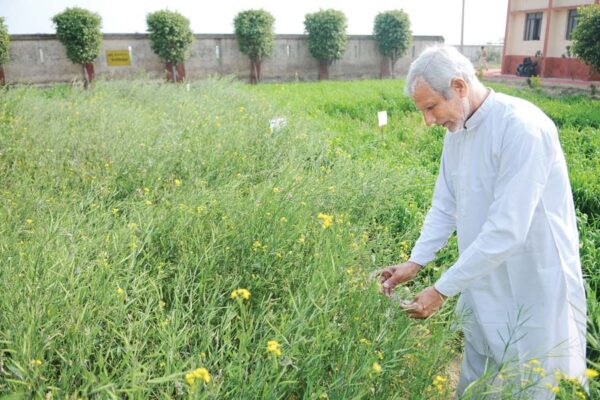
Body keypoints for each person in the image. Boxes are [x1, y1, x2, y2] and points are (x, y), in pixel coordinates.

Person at [379, 45, 586, 398]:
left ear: (459, 87)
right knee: (479, 369)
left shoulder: (522, 127)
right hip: (481, 270)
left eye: (431, 107)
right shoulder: (456, 131)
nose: (428, 120)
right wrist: (416, 261)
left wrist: (441, 290)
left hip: (532, 276)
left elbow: (508, 230)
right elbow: (445, 206)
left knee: (534, 377)